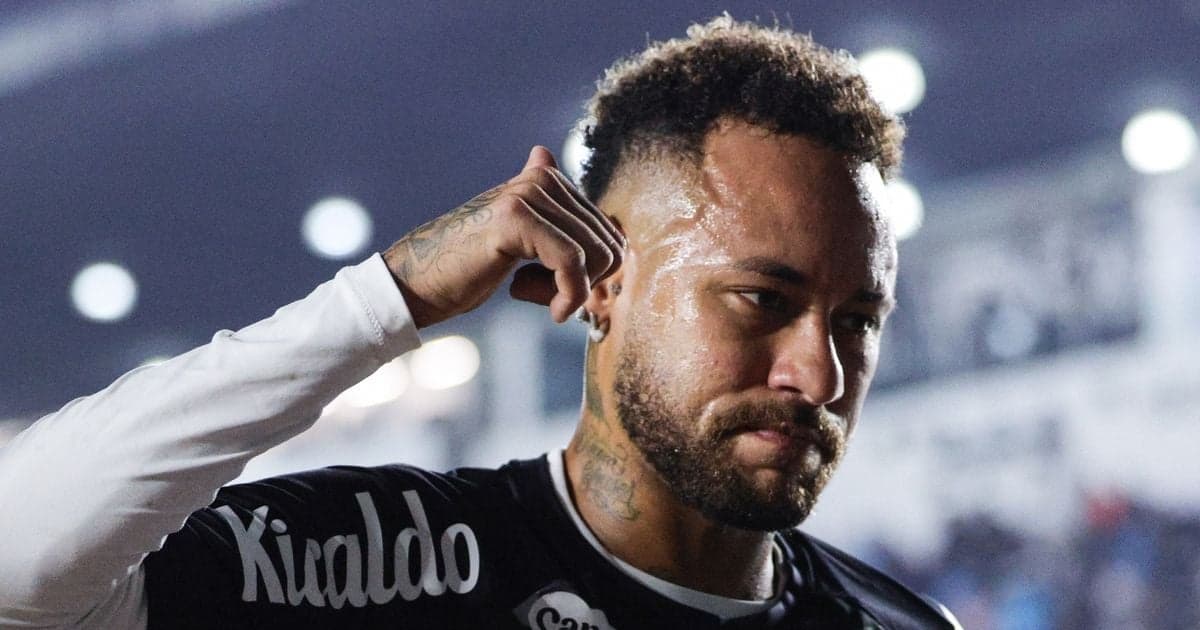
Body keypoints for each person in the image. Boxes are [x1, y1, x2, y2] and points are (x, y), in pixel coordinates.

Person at [0, 15, 960, 629]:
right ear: (604, 280)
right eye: (763, 300)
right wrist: (388, 299)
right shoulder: (380, 562)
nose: (820, 376)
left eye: (858, 320)